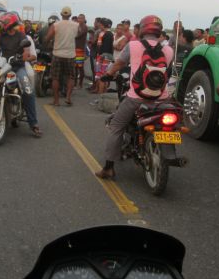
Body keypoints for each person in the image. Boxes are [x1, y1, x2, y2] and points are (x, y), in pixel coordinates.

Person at [95, 15, 173, 180]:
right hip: (162, 99)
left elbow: (118, 64)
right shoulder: (168, 49)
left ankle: (108, 168)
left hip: (136, 97)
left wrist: (108, 75)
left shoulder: (134, 45)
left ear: (143, 29)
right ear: (159, 30)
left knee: (116, 126)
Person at [0, 13, 42, 136]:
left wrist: (23, 57)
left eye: (3, 23)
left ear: (10, 24)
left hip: (17, 68)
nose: (1, 25)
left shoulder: (21, 35)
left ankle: (33, 123)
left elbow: (26, 51)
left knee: (28, 91)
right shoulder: (1, 35)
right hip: (3, 67)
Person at [45, 6, 79, 106]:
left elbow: (47, 38)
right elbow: (78, 34)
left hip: (57, 54)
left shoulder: (55, 25)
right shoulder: (76, 25)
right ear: (70, 15)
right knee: (71, 77)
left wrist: (48, 43)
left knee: (55, 78)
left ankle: (56, 100)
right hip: (70, 55)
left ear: (61, 15)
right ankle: (68, 97)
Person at [93, 18, 114, 95]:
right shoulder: (101, 33)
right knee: (98, 74)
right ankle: (99, 92)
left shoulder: (109, 34)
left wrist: (102, 56)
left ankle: (102, 94)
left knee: (103, 75)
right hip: (100, 56)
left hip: (105, 58)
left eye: (101, 24)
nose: (99, 25)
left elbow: (107, 47)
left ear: (104, 25)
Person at [74, 14, 88, 89]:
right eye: (78, 18)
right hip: (75, 48)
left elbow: (77, 35)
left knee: (80, 67)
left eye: (81, 18)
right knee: (75, 67)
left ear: (84, 19)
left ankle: (80, 84)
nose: (79, 20)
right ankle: (75, 83)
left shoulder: (84, 27)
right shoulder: (77, 26)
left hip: (80, 49)